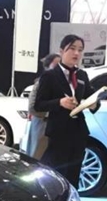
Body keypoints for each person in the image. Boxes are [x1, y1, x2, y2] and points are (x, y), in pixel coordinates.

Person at [34, 34, 100, 188]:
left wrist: (94, 104)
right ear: (62, 51)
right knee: (56, 176)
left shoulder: (82, 75)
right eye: (72, 49)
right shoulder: (50, 76)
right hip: (59, 132)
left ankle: (72, 200)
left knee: (74, 176)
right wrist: (59, 102)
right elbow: (38, 105)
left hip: (79, 132)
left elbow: (92, 97)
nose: (76, 53)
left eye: (80, 50)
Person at [26, 53, 61, 159]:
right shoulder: (42, 82)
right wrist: (48, 113)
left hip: (54, 125)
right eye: (56, 65)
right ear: (47, 66)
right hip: (42, 123)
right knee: (37, 155)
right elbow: (32, 106)